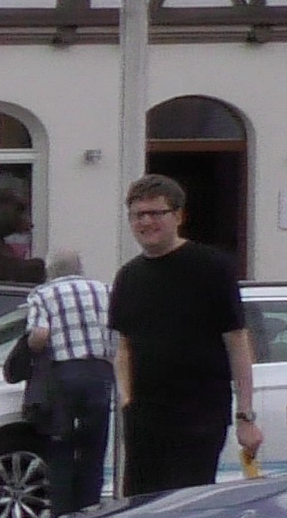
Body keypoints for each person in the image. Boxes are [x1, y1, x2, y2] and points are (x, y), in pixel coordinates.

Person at [109, 176, 258, 498]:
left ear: (178, 216)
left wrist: (245, 414)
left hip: (199, 415)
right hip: (145, 417)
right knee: (141, 506)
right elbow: (124, 347)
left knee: (187, 504)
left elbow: (236, 341)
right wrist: (127, 402)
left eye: (156, 213)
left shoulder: (212, 267)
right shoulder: (129, 276)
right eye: (139, 215)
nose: (146, 222)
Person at [16, 251, 116, 517]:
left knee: (61, 448)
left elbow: (40, 336)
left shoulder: (43, 294)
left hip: (64, 376)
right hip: (101, 373)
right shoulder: (104, 290)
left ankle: (62, 514)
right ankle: (90, 511)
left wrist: (29, 348)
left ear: (51, 271)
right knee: (94, 448)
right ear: (79, 268)